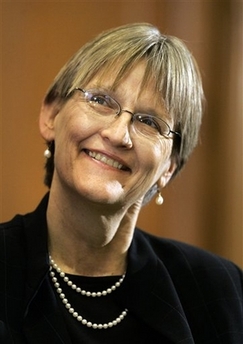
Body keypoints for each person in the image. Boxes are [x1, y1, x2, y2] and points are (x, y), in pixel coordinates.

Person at [0, 22, 242, 344]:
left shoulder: (220, 290)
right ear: (52, 115)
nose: (118, 134)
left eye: (148, 122)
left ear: (168, 167)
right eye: (100, 100)